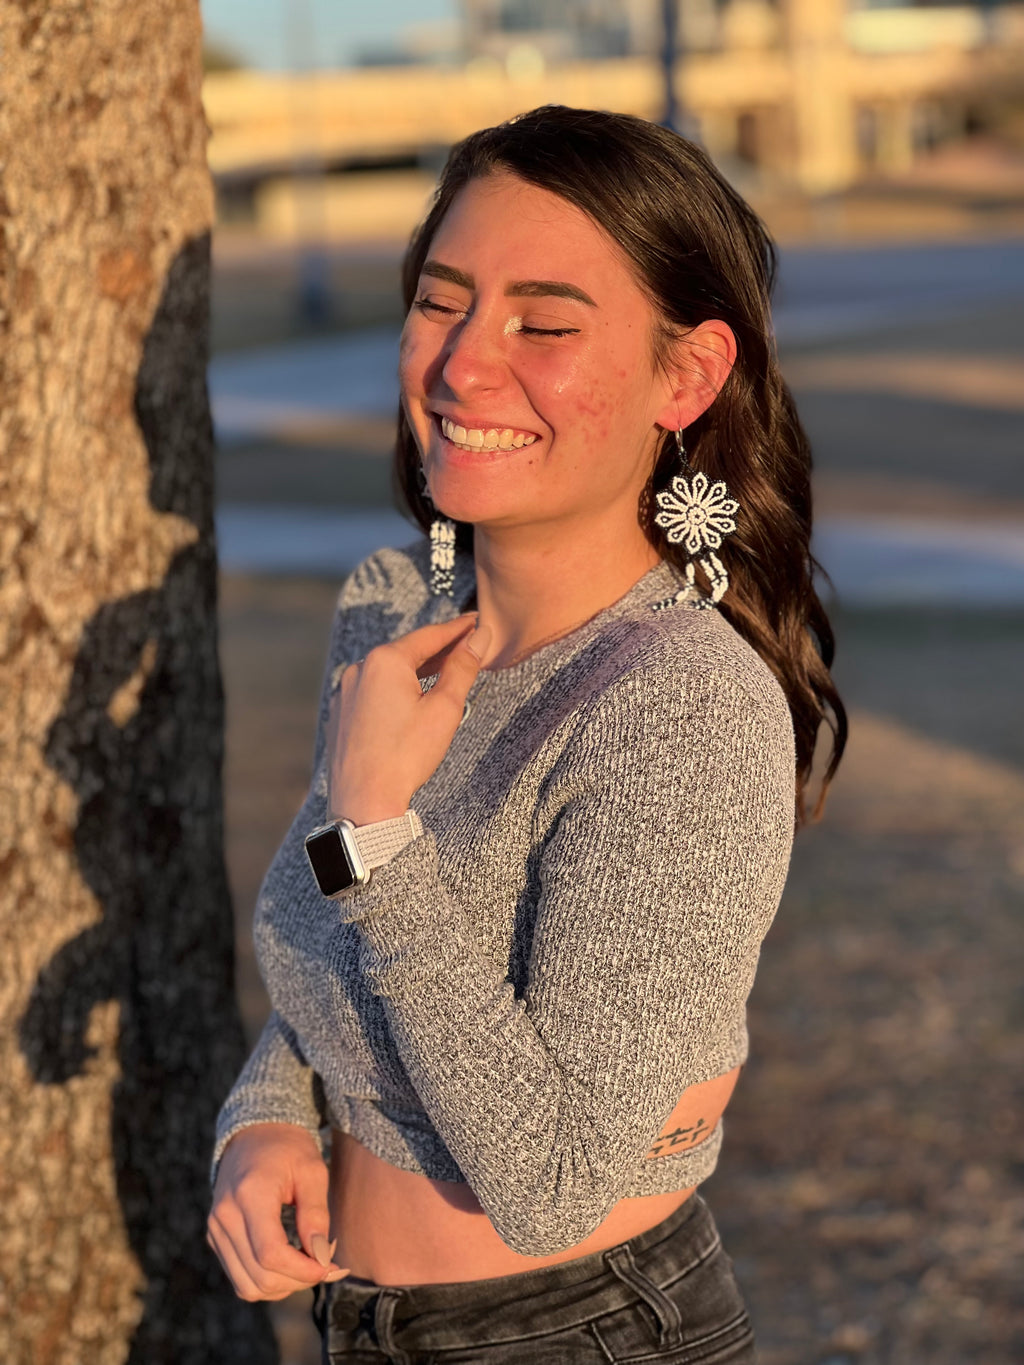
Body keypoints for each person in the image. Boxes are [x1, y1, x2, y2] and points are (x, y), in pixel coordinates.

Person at [207, 105, 847, 1363]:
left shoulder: (683, 709)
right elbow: (332, 935)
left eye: (544, 325)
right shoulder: (393, 608)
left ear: (687, 376)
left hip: (579, 1332)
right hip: (363, 1325)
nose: (461, 366)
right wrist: (268, 1114)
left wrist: (379, 830)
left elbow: (552, 1177)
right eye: (442, 303)